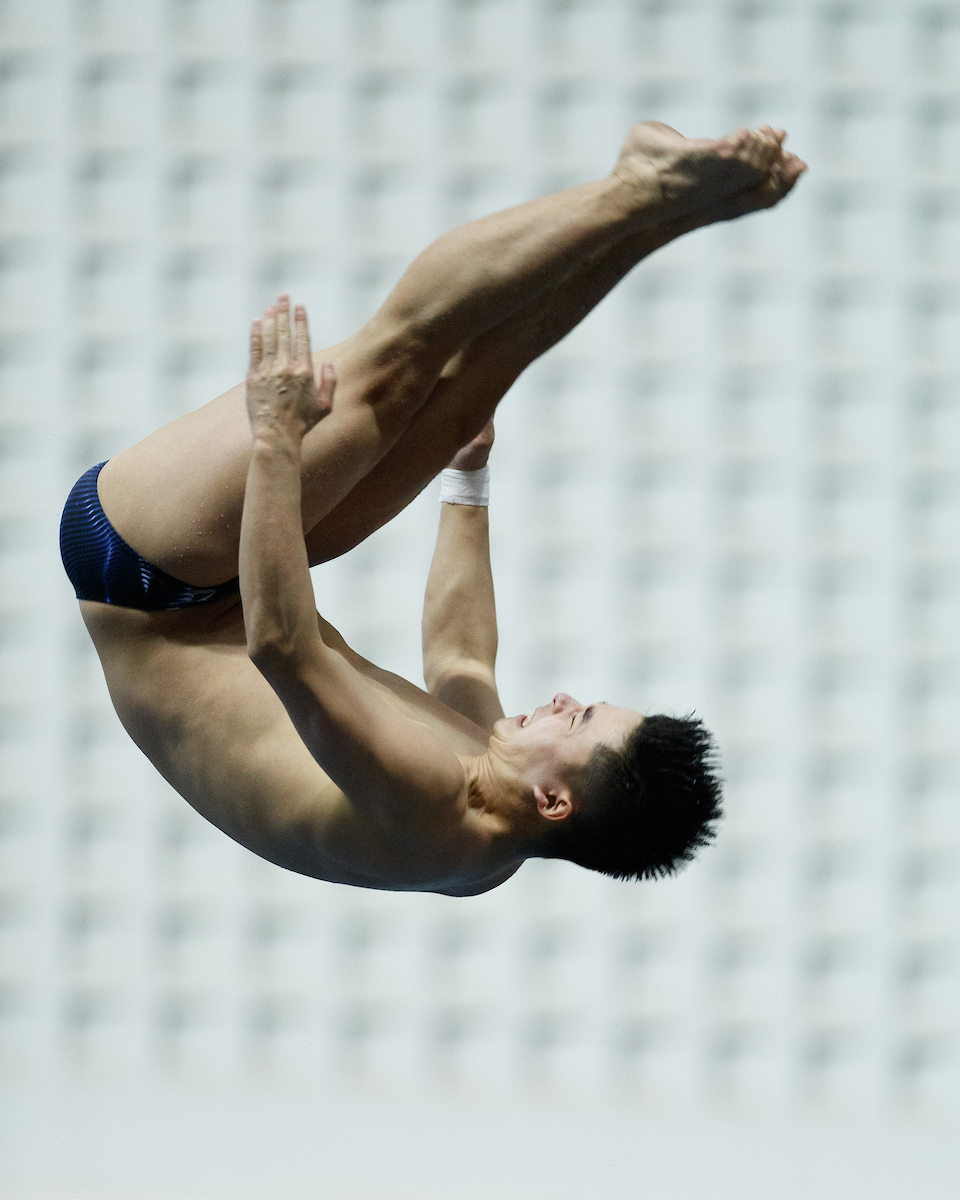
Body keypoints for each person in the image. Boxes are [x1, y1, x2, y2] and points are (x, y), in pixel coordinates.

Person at [61, 121, 806, 895]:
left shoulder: (432, 811)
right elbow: (458, 658)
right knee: (462, 398)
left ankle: (637, 193)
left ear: (555, 801)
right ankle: (665, 215)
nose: (560, 698)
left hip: (143, 578)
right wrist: (467, 479)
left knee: (397, 365)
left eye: (578, 720)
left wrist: (277, 442)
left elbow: (283, 648)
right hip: (228, 588)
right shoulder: (494, 822)